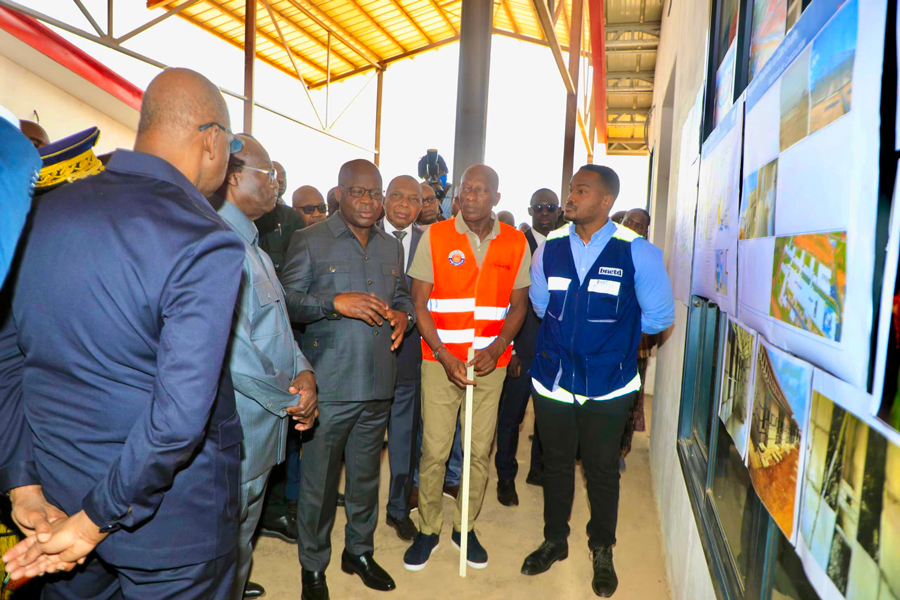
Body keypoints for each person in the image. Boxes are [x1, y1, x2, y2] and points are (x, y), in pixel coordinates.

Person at [0, 68, 247, 598]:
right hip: (168, 529)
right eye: (233, 144)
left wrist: (22, 481)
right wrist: (95, 520)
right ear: (211, 140)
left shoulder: (41, 211)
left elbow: (7, 360)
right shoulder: (204, 239)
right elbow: (179, 418)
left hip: (55, 504)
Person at [520, 165, 674, 598]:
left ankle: (601, 547)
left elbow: (659, 316)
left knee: (602, 471)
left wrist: (614, 343)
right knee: (555, 464)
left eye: (580, 190)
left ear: (605, 202)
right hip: (553, 381)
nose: (571, 197)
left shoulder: (637, 252)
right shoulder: (548, 248)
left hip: (610, 386)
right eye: (571, 189)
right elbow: (540, 302)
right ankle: (555, 540)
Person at [281, 159, 415, 600]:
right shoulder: (310, 239)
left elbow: (400, 299)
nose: (368, 201)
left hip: (378, 384)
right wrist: (333, 302)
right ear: (339, 194)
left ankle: (358, 551)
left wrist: (403, 316)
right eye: (358, 192)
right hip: (330, 387)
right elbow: (286, 303)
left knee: (364, 481)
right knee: (319, 488)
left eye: (374, 194)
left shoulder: (390, 248)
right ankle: (313, 568)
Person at [404, 164, 530, 572]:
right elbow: (419, 304)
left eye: (481, 190)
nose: (472, 196)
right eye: (466, 189)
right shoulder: (436, 237)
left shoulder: (514, 242)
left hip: (489, 366)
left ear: (496, 197)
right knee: (435, 451)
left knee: (478, 451)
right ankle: (428, 529)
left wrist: (498, 348)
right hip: (440, 362)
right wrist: (442, 354)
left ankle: (464, 526)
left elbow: (519, 306)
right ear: (457, 196)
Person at [214, 135, 319, 600]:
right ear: (235, 177)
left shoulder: (254, 245)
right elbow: (235, 356)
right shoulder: (219, 245)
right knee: (220, 547)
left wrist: (305, 371)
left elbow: (277, 327)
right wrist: (292, 398)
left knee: (239, 541)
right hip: (238, 429)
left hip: (263, 427)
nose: (277, 183)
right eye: (268, 175)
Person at [494, 188, 559, 506]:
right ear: (531, 211)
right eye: (539, 208)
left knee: (548, 416)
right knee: (511, 417)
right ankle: (505, 477)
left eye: (550, 207)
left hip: (555, 350)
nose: (545, 213)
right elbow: (509, 300)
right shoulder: (517, 244)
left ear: (558, 211)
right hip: (524, 347)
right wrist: (513, 350)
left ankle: (538, 470)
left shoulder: (566, 245)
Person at [377, 175, 425, 541]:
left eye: (413, 198)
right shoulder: (362, 233)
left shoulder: (432, 242)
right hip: (363, 355)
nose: (404, 204)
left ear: (422, 205)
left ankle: (397, 508)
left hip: (410, 355)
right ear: (384, 199)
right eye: (397, 196)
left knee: (405, 439)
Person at [619, 207, 657, 469]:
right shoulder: (606, 249)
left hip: (635, 346)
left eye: (639, 224)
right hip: (604, 342)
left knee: (628, 401)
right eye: (628, 221)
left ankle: (619, 452)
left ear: (646, 231)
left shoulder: (650, 259)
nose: (632, 226)